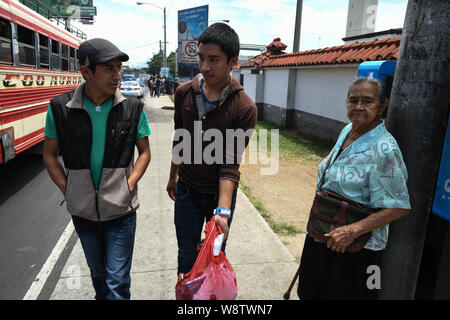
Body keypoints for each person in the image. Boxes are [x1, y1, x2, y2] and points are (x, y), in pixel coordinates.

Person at [43, 38, 151, 300]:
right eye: (109, 69)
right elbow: (49, 156)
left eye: (119, 68)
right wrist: (68, 189)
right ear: (86, 72)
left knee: (117, 283)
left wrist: (129, 185)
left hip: (121, 212)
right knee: (99, 277)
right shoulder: (60, 108)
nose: (117, 75)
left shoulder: (132, 108)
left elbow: (145, 153)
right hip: (83, 214)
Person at [297, 77, 411, 300]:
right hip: (323, 231)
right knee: (312, 292)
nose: (358, 107)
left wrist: (352, 231)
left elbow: (399, 207)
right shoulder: (348, 130)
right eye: (353, 100)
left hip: (358, 247)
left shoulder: (385, 149)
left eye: (367, 101)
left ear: (383, 105)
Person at [166, 23, 257, 275]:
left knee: (214, 255)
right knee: (185, 257)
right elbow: (180, 138)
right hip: (186, 189)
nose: (205, 67)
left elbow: (230, 164)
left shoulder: (243, 108)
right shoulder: (184, 93)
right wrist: (173, 176)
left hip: (219, 195)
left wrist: (223, 212)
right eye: (202, 58)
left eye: (214, 59)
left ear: (233, 61)